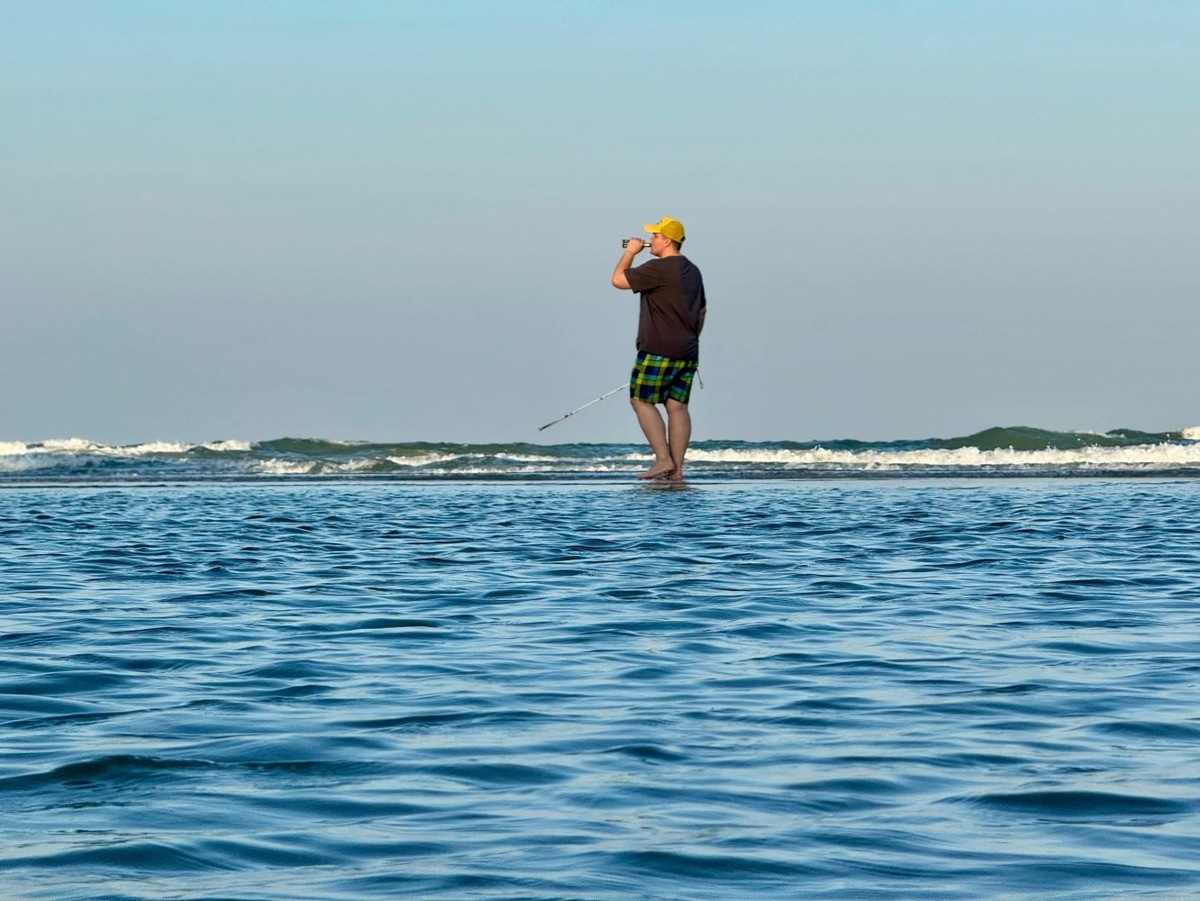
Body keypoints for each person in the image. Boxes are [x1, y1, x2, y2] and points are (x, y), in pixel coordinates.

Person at [611, 216, 707, 481]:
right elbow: (702, 310)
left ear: (666, 240)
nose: (650, 240)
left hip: (658, 348)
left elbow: (618, 280)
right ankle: (677, 469)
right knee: (677, 407)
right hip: (688, 350)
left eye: (655, 236)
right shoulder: (692, 270)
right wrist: (691, 338)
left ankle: (663, 460)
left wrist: (630, 252)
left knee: (641, 400)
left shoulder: (660, 268)